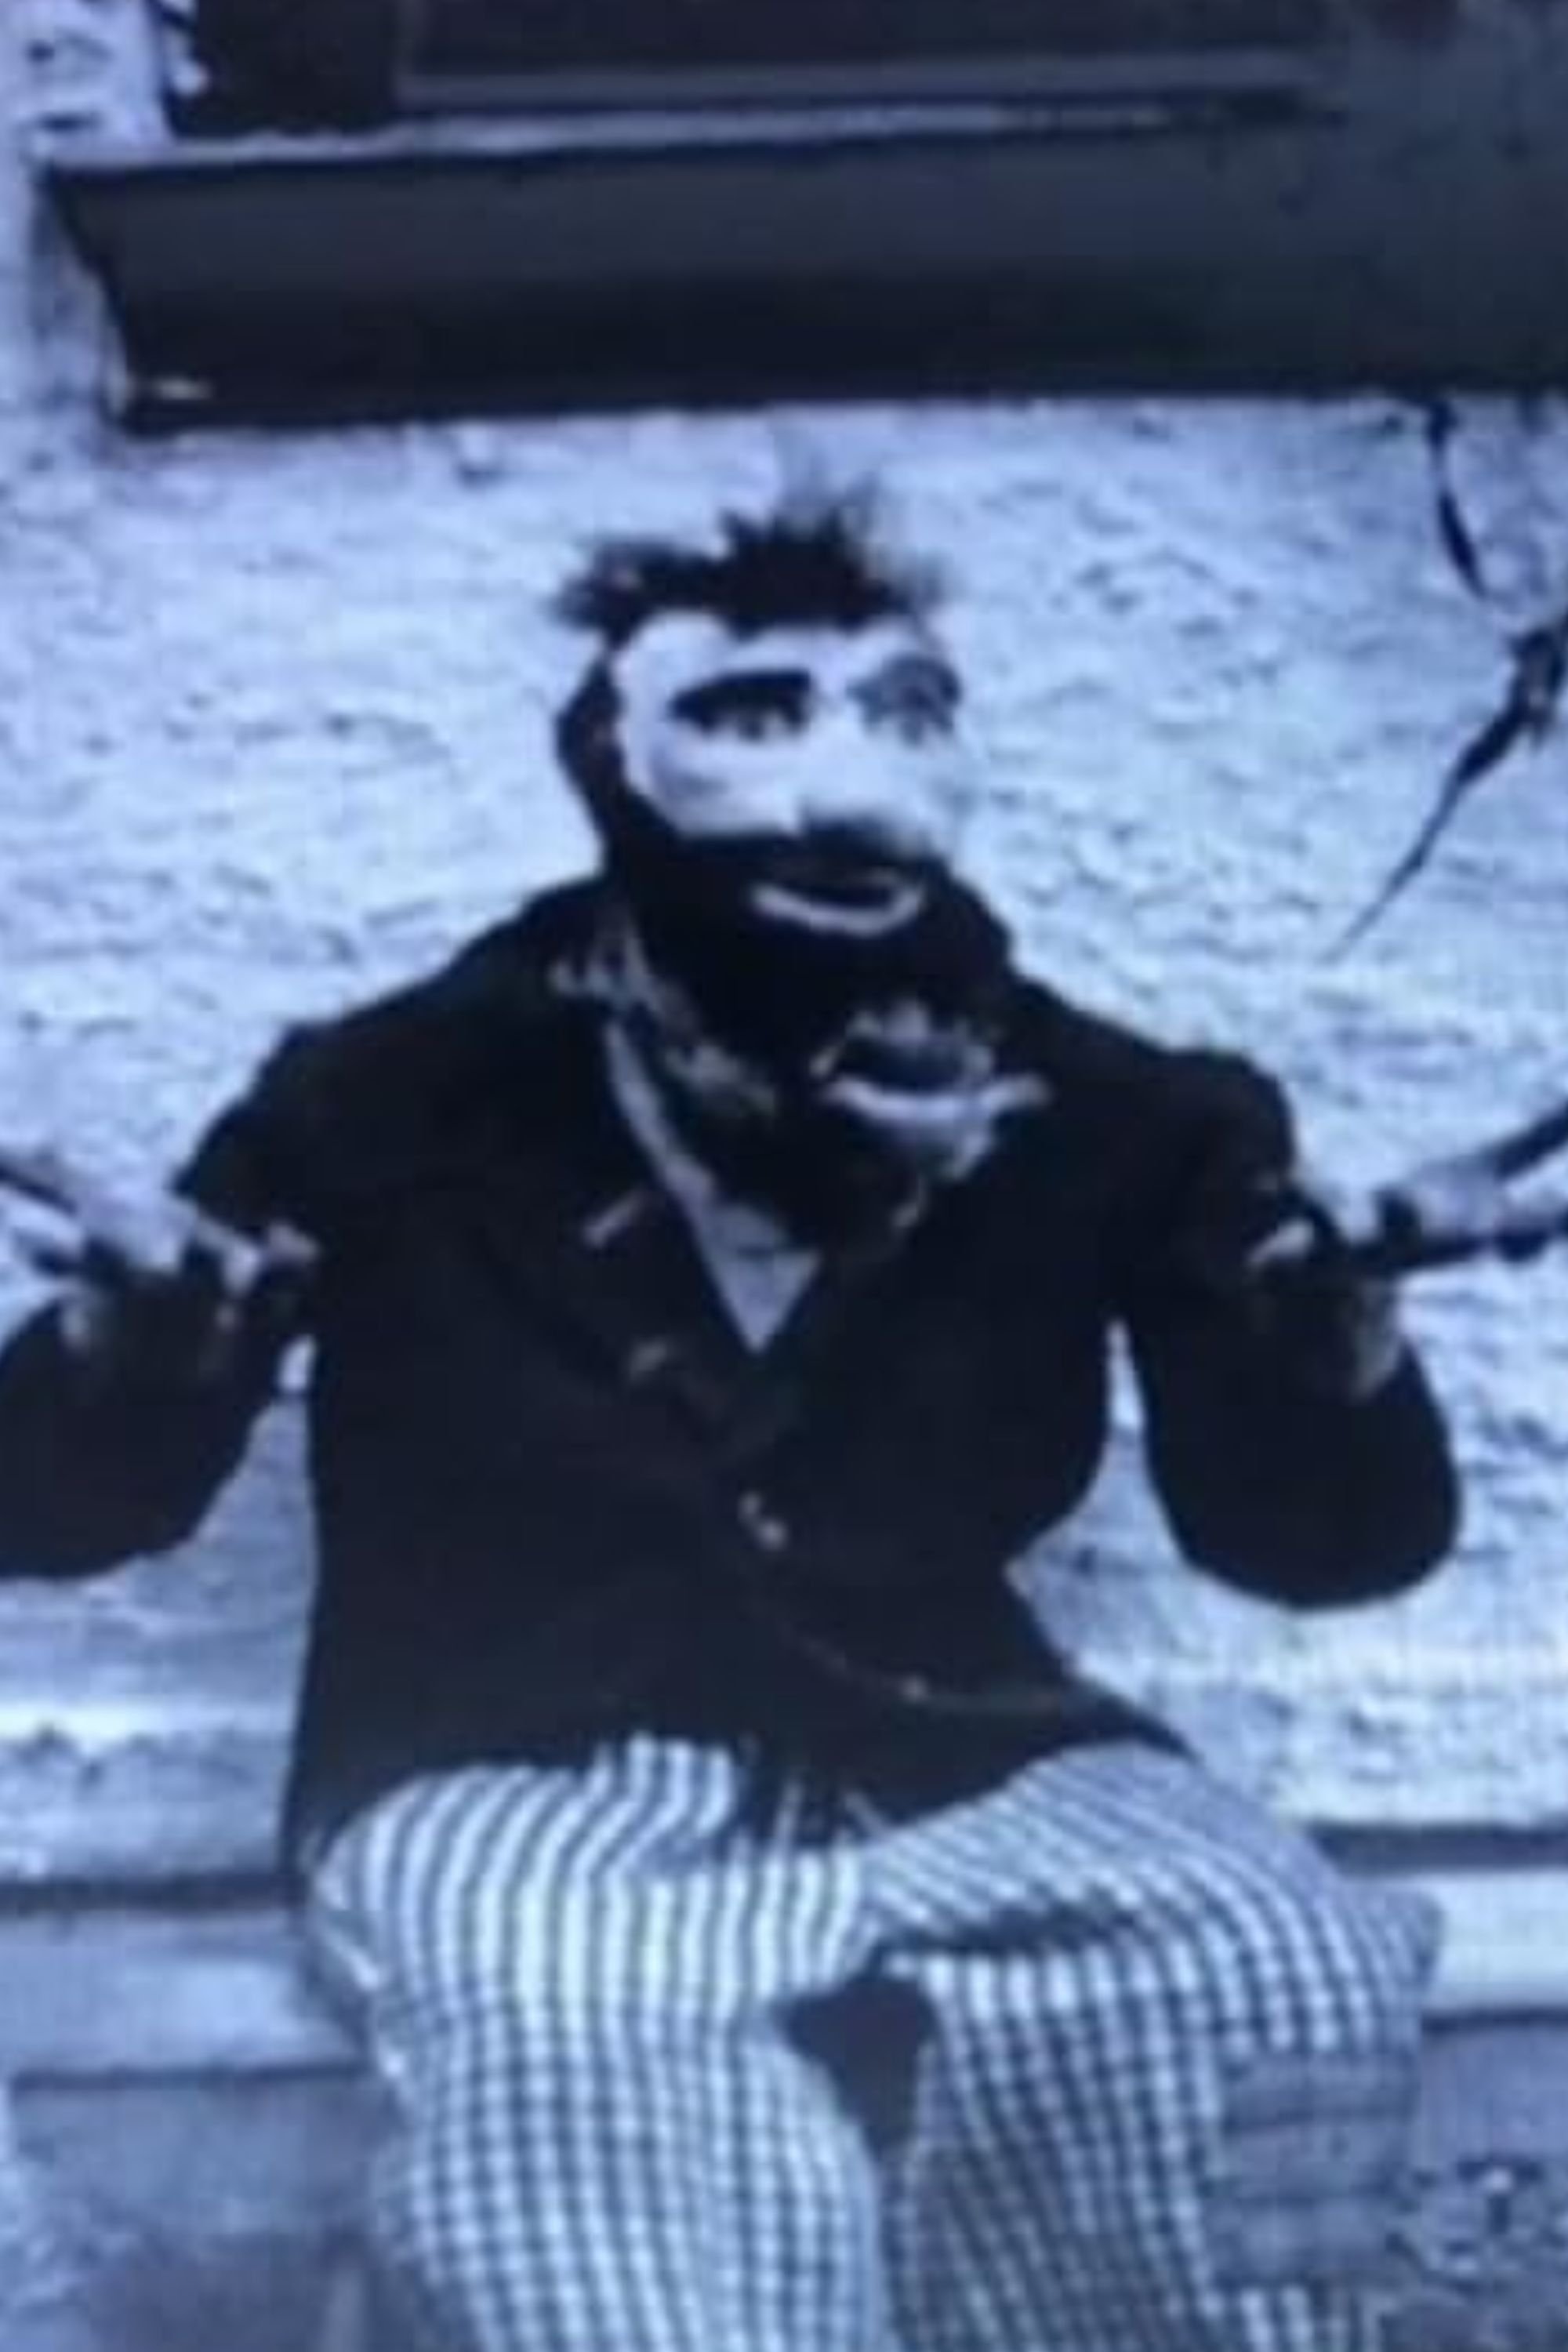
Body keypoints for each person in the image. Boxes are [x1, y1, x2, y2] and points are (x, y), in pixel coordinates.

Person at [0, 498, 1460, 2352]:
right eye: (753, 717)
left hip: (955, 1748)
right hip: (513, 1770)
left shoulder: (1117, 1114)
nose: (844, 790)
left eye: (907, 712)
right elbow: (48, 1509)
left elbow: (1311, 1545)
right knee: (575, 2057)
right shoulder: (392, 1098)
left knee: (1270, 1954)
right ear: (612, 772)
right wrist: (128, 1354)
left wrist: (1336, 1362)